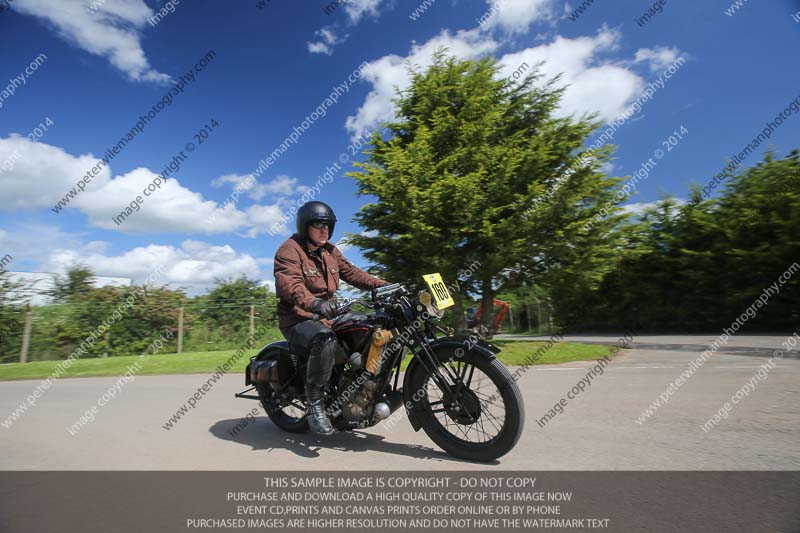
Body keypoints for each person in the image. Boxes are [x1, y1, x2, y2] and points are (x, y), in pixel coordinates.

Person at [273, 201, 389, 435]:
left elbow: (354, 273)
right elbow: (291, 284)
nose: (324, 229)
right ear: (305, 226)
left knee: (373, 328)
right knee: (325, 340)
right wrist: (314, 303)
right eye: (318, 224)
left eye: (328, 225)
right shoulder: (289, 250)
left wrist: (387, 286)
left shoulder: (330, 251)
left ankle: (362, 386)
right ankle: (315, 406)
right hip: (298, 319)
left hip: (328, 315)